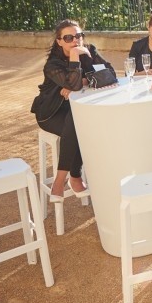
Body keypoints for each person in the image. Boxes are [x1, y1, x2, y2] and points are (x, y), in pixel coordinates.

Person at [33, 19, 112, 198]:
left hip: (75, 111)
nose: (75, 41)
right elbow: (75, 85)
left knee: (78, 120)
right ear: (59, 41)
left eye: (78, 36)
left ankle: (66, 178)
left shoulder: (90, 51)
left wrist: (82, 81)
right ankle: (70, 177)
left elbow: (110, 73)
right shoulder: (52, 65)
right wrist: (76, 58)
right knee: (78, 123)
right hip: (51, 113)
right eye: (69, 38)